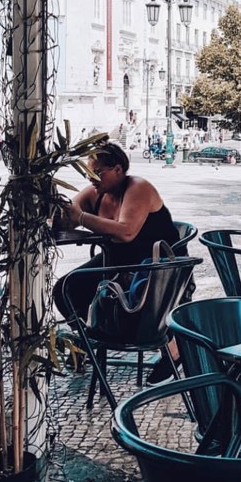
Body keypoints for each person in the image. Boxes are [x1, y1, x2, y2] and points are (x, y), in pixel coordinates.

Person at [52, 142, 188, 383]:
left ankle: (174, 352)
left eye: (97, 172)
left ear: (117, 169)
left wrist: (82, 217)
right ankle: (87, 340)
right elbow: (69, 218)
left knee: (142, 311)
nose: (91, 178)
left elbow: (126, 232)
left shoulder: (138, 187)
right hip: (118, 263)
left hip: (158, 266)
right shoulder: (95, 192)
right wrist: (57, 209)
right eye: (88, 173)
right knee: (66, 289)